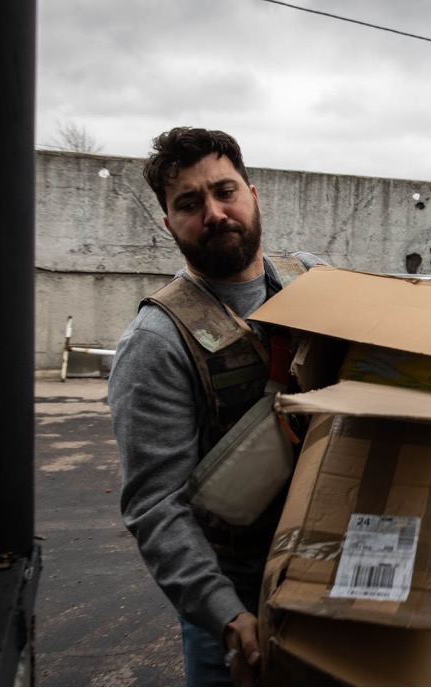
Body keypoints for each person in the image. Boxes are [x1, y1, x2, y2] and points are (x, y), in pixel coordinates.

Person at [108, 127, 322, 687]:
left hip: (330, 565)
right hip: (239, 591)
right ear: (168, 224)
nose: (214, 213)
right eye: (189, 203)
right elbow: (156, 503)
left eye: (225, 192)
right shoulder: (155, 342)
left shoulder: (312, 281)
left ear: (253, 195)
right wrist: (226, 615)